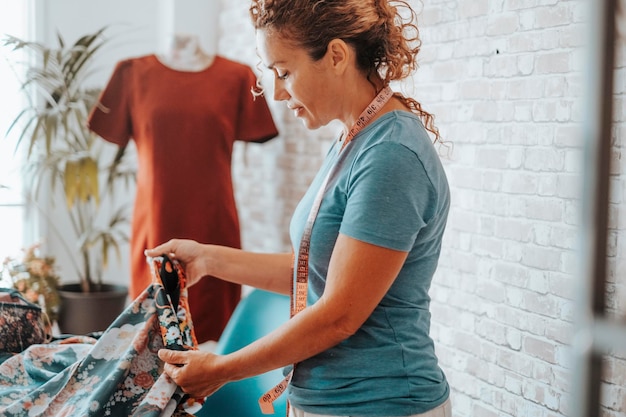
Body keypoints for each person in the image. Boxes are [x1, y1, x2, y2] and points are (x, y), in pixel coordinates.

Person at [147, 0, 452, 416]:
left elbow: (338, 315)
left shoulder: (390, 154)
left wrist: (221, 369)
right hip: (326, 402)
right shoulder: (351, 141)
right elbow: (316, 274)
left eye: (284, 72)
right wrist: (209, 258)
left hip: (381, 404)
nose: (276, 91)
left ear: (337, 56)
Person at [87, 31, 279, 344]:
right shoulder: (132, 73)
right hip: (155, 219)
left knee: (217, 336)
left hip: (215, 221)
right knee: (152, 333)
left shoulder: (236, 76)